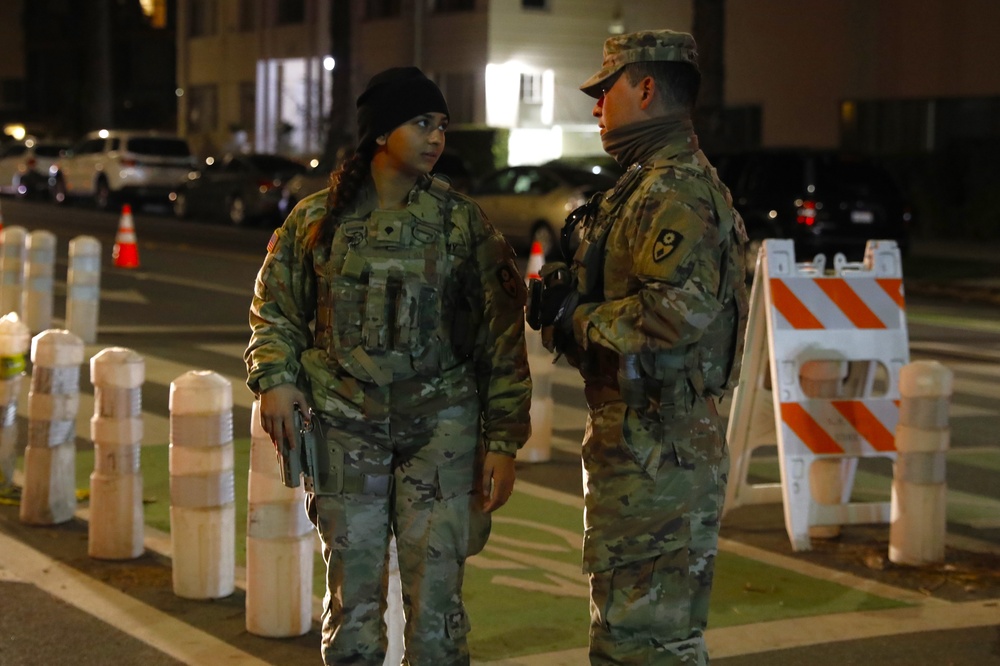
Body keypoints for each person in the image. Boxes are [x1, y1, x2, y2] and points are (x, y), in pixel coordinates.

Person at [245, 66, 532, 666]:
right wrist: (274, 380)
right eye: (421, 122)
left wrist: (503, 440)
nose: (436, 137)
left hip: (441, 428)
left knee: (438, 605)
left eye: (442, 125)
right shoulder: (316, 220)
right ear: (380, 133)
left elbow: (501, 337)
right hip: (345, 423)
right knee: (352, 599)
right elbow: (276, 311)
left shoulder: (461, 223)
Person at [532, 30, 749, 665]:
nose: (597, 106)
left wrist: (577, 317)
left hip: (663, 454)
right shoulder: (642, 186)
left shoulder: (675, 191)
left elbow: (673, 314)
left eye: (607, 90)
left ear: (646, 88)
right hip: (644, 447)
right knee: (631, 639)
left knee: (647, 646)